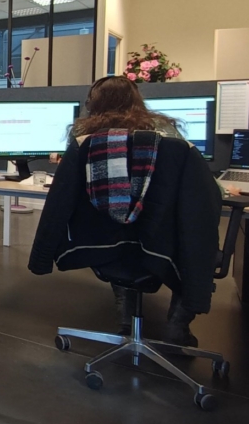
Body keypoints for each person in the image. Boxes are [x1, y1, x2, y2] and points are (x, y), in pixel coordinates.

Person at [33, 76, 223, 347]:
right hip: (162, 245)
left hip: (103, 242)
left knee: (121, 235)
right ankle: (178, 324)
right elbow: (204, 193)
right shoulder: (169, 135)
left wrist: (41, 257)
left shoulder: (85, 140)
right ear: (138, 101)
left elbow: (61, 197)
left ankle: (125, 313)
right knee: (189, 244)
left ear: (92, 105)